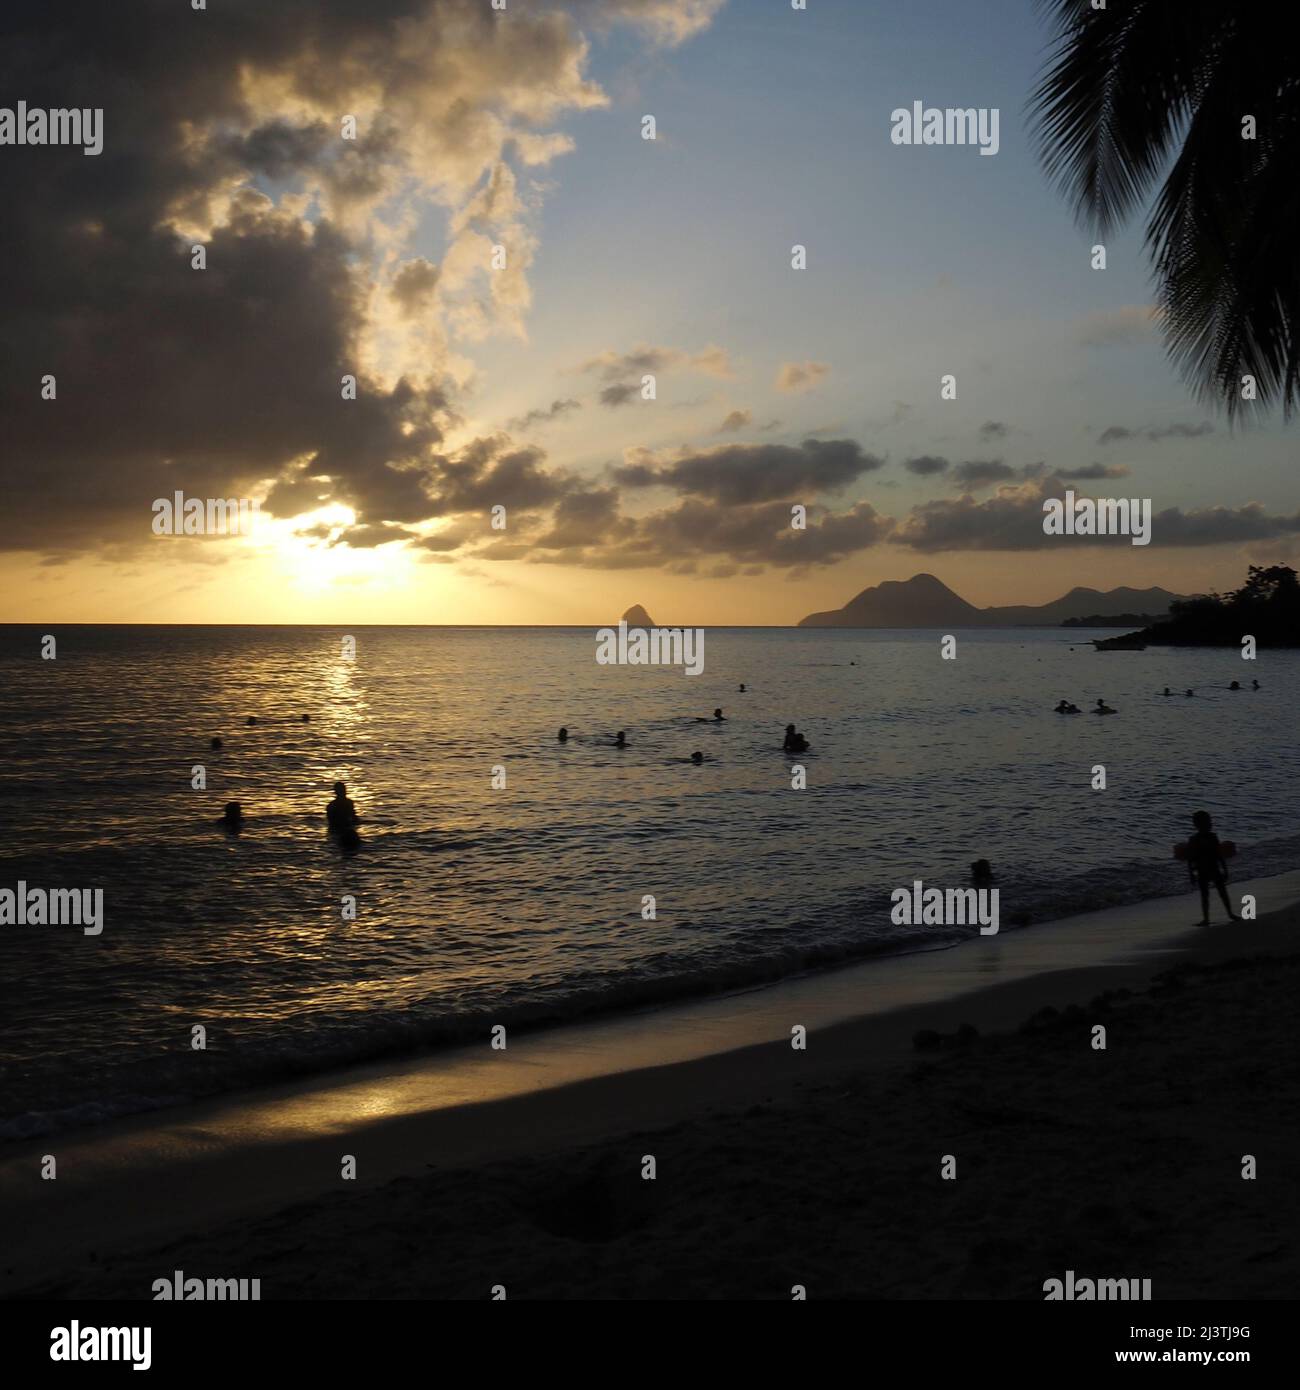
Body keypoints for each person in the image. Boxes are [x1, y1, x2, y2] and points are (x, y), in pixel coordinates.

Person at [1186, 810, 1238, 926]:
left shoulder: (1213, 837)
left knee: (1222, 892)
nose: (1210, 824)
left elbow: (1219, 855)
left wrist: (1225, 869)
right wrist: (1191, 874)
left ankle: (1230, 913)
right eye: (1207, 822)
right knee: (1205, 896)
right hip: (1202, 871)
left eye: (1210, 822)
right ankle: (1206, 918)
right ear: (1197, 825)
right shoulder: (1194, 840)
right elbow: (1190, 859)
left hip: (1214, 869)